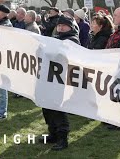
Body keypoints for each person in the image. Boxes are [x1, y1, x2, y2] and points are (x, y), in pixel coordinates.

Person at [39, 15, 80, 151]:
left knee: (57, 109)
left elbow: (62, 54)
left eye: (64, 25)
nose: (60, 27)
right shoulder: (56, 39)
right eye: (59, 25)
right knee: (47, 106)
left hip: (62, 81)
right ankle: (53, 134)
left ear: (70, 27)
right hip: (50, 78)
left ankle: (63, 138)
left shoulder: (72, 39)